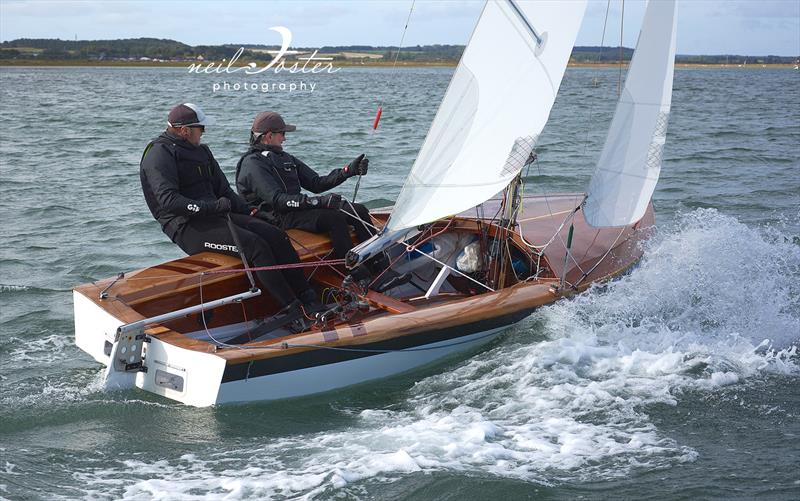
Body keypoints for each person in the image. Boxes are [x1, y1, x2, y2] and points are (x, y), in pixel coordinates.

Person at [139, 103, 321, 329]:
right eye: (201, 129)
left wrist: (252, 212)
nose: (203, 132)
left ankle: (309, 297)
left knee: (274, 235)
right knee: (255, 245)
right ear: (185, 130)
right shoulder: (159, 154)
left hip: (215, 215)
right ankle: (290, 309)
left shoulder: (202, 151)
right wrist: (210, 208)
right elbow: (169, 201)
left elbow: (225, 191)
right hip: (186, 226)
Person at [234, 111, 375, 261]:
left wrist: (347, 172)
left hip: (298, 209)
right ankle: (354, 271)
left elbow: (316, 183)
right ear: (269, 136)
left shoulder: (285, 158)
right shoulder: (252, 164)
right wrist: (317, 202)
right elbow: (277, 200)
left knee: (358, 210)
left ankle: (377, 259)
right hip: (276, 217)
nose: (284, 138)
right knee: (334, 218)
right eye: (282, 134)